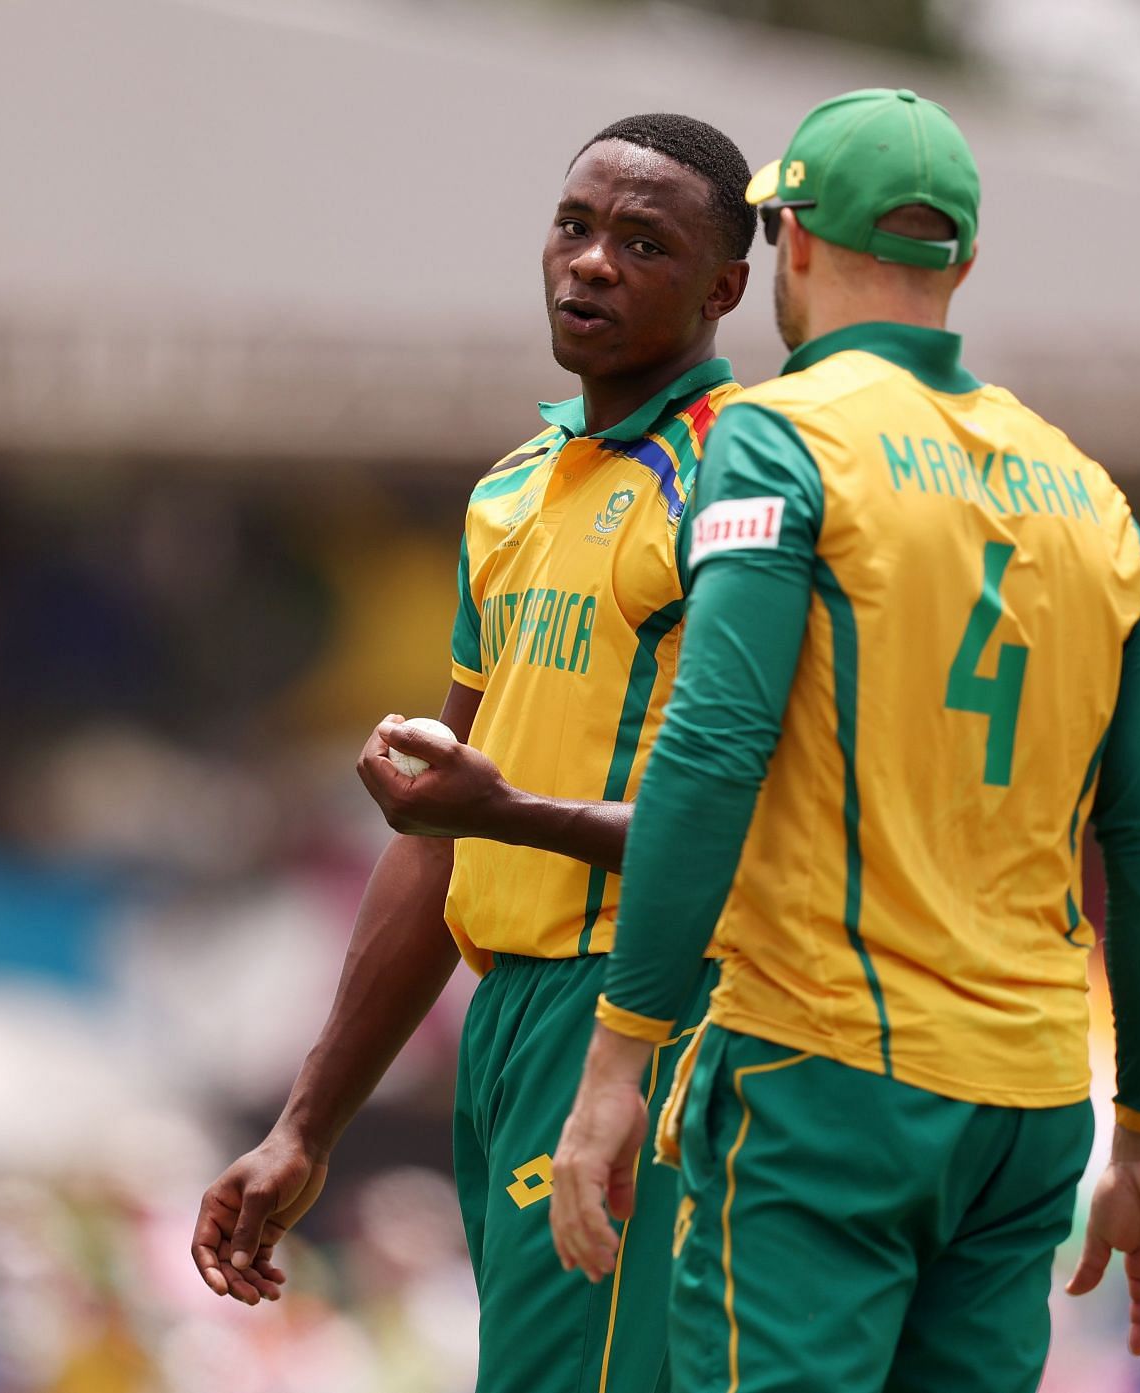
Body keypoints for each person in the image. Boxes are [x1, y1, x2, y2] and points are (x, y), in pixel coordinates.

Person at [550, 89, 1140, 1391]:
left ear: (788, 241)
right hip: (1027, 1108)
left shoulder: (780, 435)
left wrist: (619, 1055)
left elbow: (715, 744)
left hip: (827, 1080)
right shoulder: (1092, 498)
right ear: (960, 262)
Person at [192, 113, 755, 1393]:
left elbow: (745, 824)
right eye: (575, 227)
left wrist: (504, 811)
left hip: (638, 1006)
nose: (593, 263)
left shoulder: (736, 478)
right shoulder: (511, 490)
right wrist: (305, 1125)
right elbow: (436, 827)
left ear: (726, 287)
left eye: (644, 242)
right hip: (505, 1020)